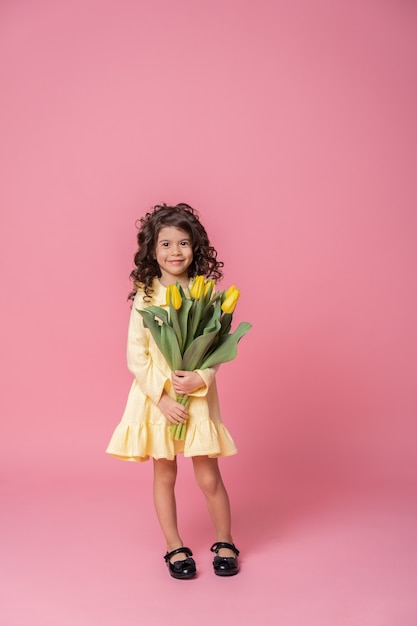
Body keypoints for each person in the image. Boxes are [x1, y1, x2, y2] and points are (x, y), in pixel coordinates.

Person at [106, 203, 240, 579]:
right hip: (157, 401)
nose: (175, 252)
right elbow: (137, 356)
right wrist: (163, 398)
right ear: (152, 251)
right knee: (164, 475)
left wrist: (203, 378)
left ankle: (225, 539)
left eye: (183, 243)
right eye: (165, 244)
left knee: (209, 477)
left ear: (196, 248)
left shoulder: (205, 293)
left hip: (194, 398)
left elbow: (215, 347)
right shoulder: (145, 297)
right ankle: (174, 545)